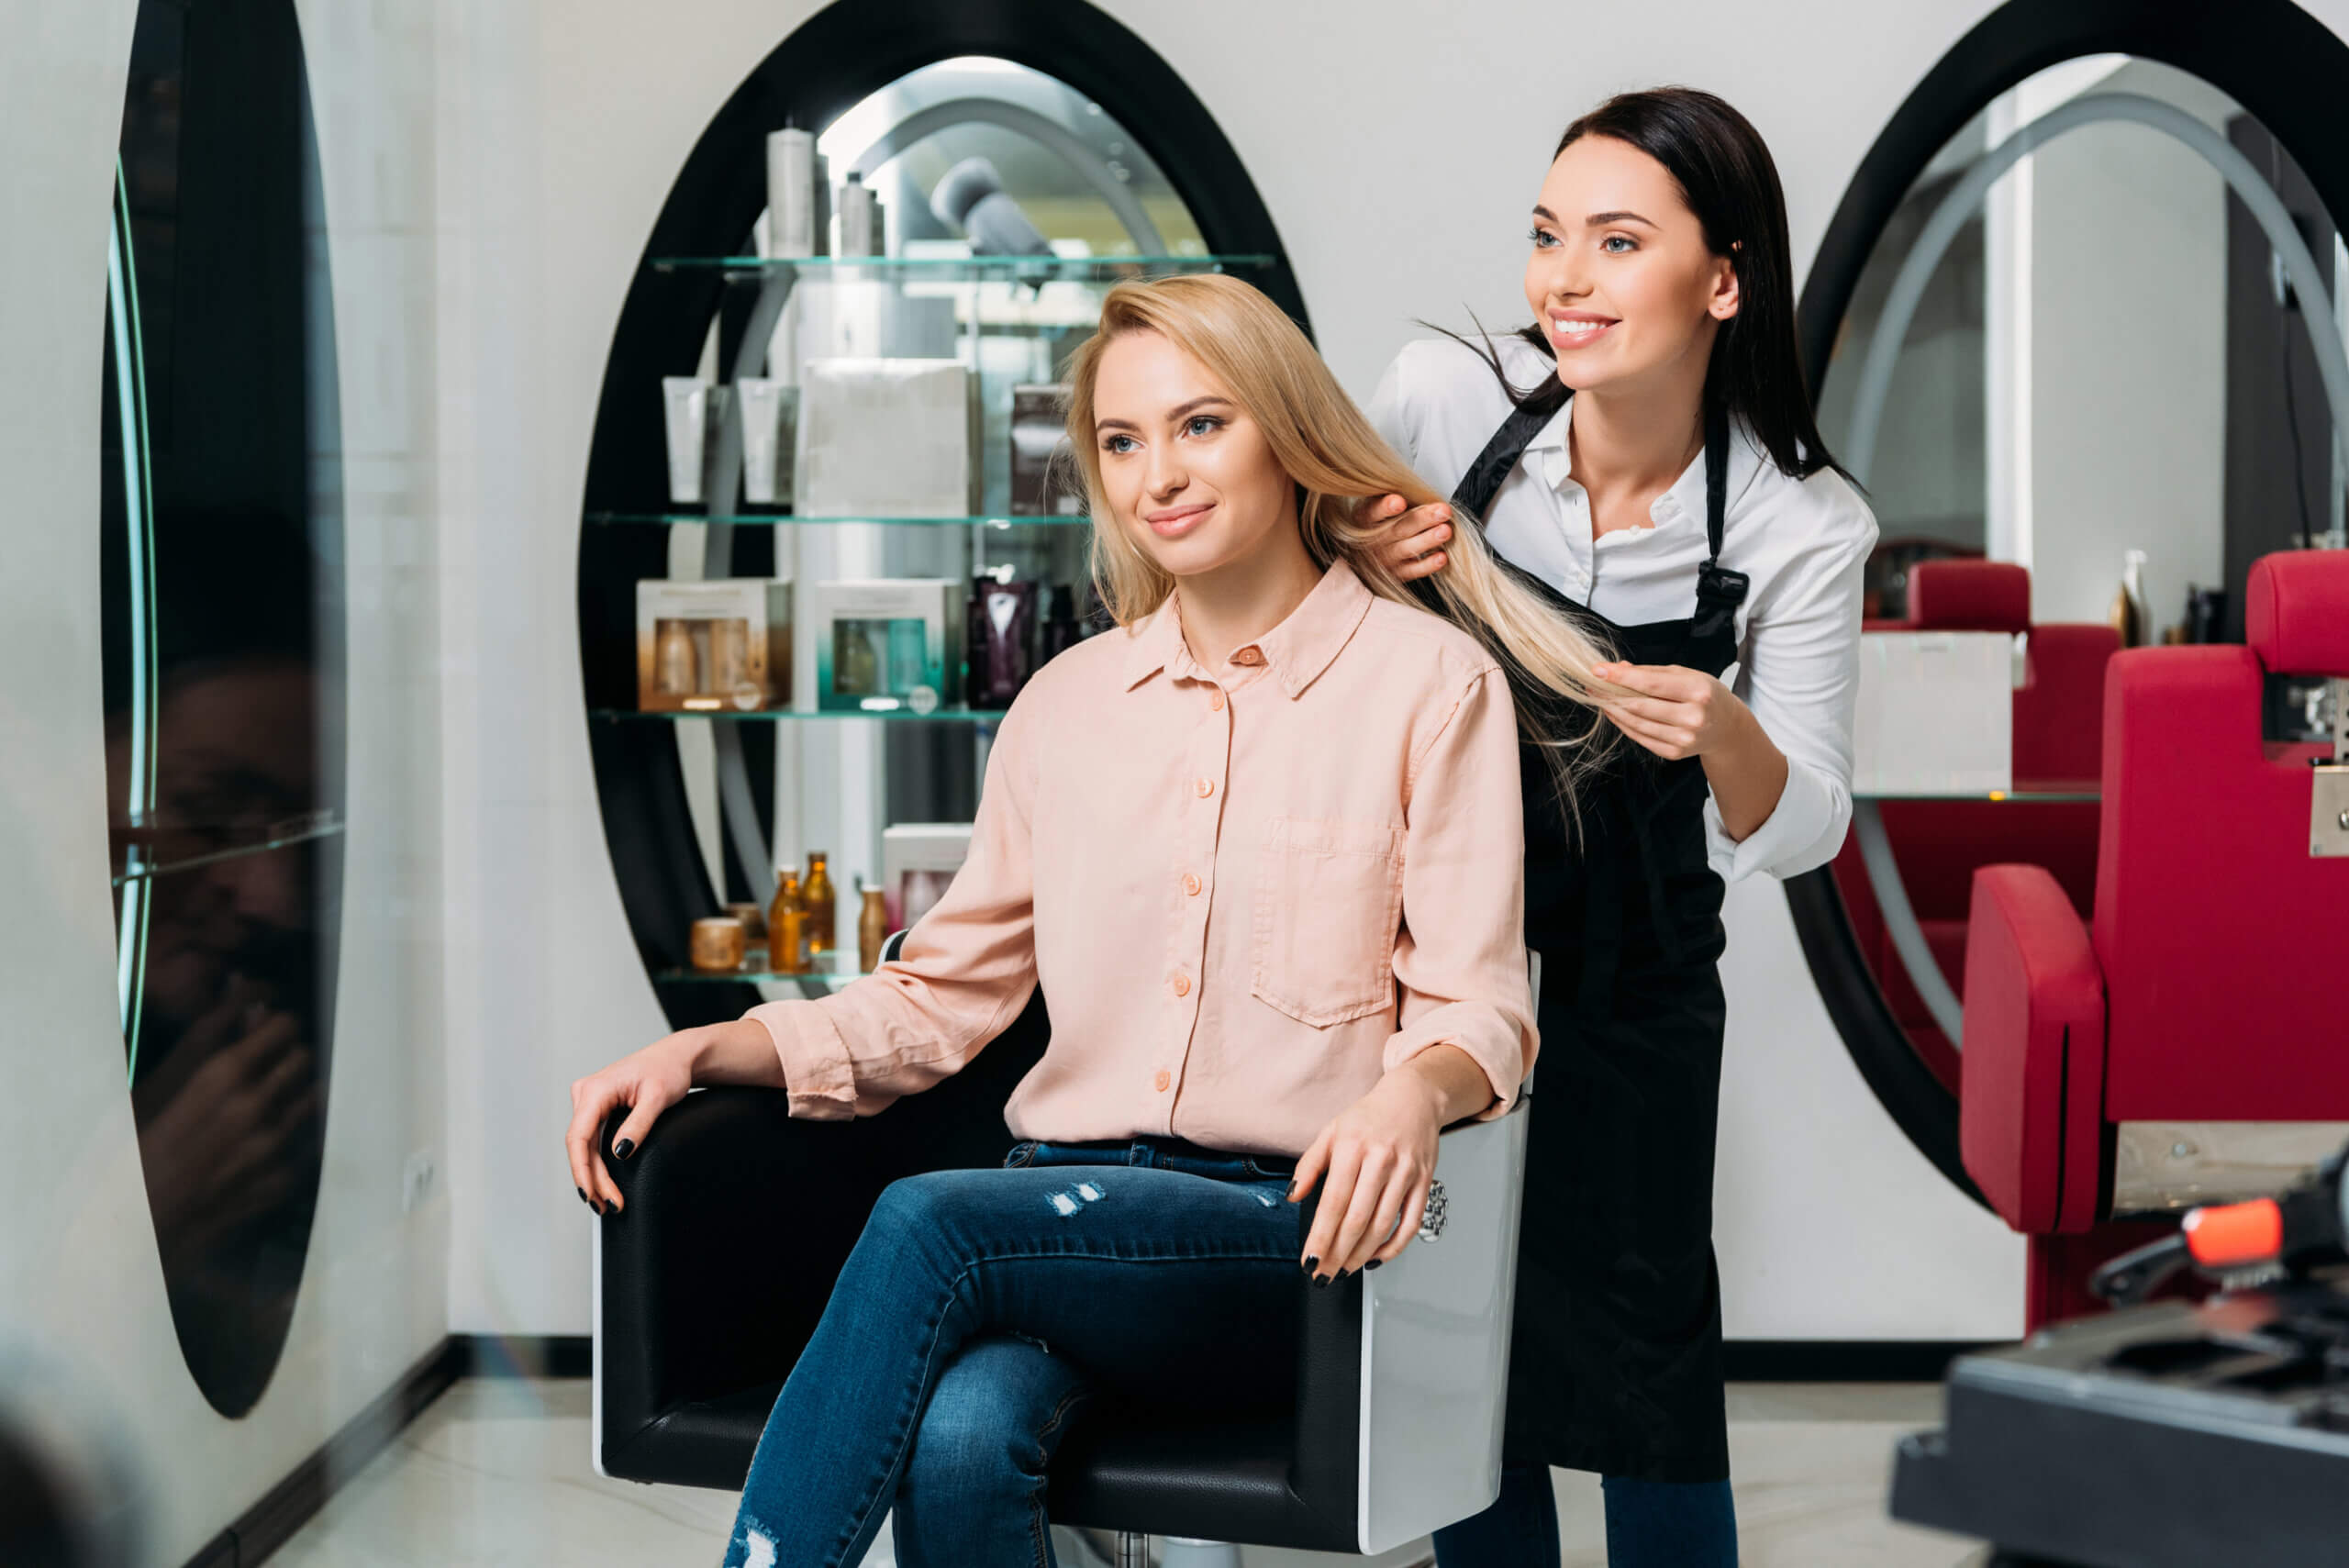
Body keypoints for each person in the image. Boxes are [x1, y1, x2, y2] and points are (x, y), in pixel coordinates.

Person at [563, 272, 1635, 1568]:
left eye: (1201, 425)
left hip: (1281, 1235)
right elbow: (938, 995)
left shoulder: (1428, 684)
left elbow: (1480, 1008)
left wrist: (1414, 1095)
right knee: (963, 1434)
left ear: (1286, 434)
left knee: (924, 1219)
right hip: (1056, 1228)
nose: (1156, 477)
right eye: (1120, 442)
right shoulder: (1065, 706)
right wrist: (706, 1048)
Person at [1364, 87, 1879, 1568]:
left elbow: (1812, 823)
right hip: (1440, 959)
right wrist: (1362, 551)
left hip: (1639, 987)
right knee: (1464, 1351)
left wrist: (1725, 729)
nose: (1561, 280)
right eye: (1545, 236)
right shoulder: (1444, 406)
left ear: (1723, 278)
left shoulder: (1798, 523)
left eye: (1613, 239)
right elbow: (1285, 593)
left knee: (1652, 1366)